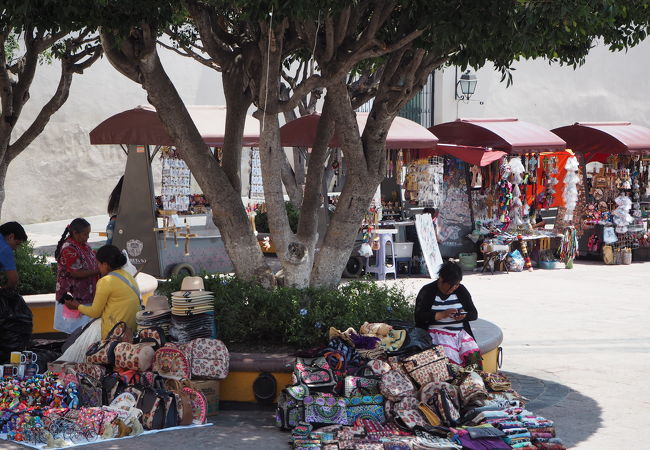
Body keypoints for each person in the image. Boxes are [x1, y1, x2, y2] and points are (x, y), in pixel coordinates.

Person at [59, 245, 141, 362]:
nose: (98, 267)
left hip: (115, 333)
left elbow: (95, 312)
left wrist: (77, 306)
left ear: (105, 264)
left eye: (98, 264)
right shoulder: (128, 276)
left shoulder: (105, 281)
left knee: (80, 339)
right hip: (131, 329)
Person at [414, 260, 482, 368]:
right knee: (449, 360)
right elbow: (418, 317)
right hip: (435, 335)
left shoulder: (461, 290)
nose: (453, 288)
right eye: (450, 285)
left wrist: (463, 316)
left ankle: (472, 382)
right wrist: (441, 315)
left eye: (457, 285)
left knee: (473, 358)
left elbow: (473, 314)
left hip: (460, 334)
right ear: (441, 279)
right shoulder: (427, 291)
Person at [55, 218, 100, 308]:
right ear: (75, 233)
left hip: (86, 296)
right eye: (85, 234)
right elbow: (75, 273)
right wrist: (98, 271)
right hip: (73, 300)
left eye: (88, 234)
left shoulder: (84, 245)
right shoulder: (69, 249)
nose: (88, 237)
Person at [0, 222, 28, 290]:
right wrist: (5, 290)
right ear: (11, 236)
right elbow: (13, 280)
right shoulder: (5, 248)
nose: (16, 249)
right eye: (17, 244)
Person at [106, 176, 123, 245]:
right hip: (116, 224)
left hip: (112, 224)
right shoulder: (122, 196)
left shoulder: (116, 194)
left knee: (110, 246)